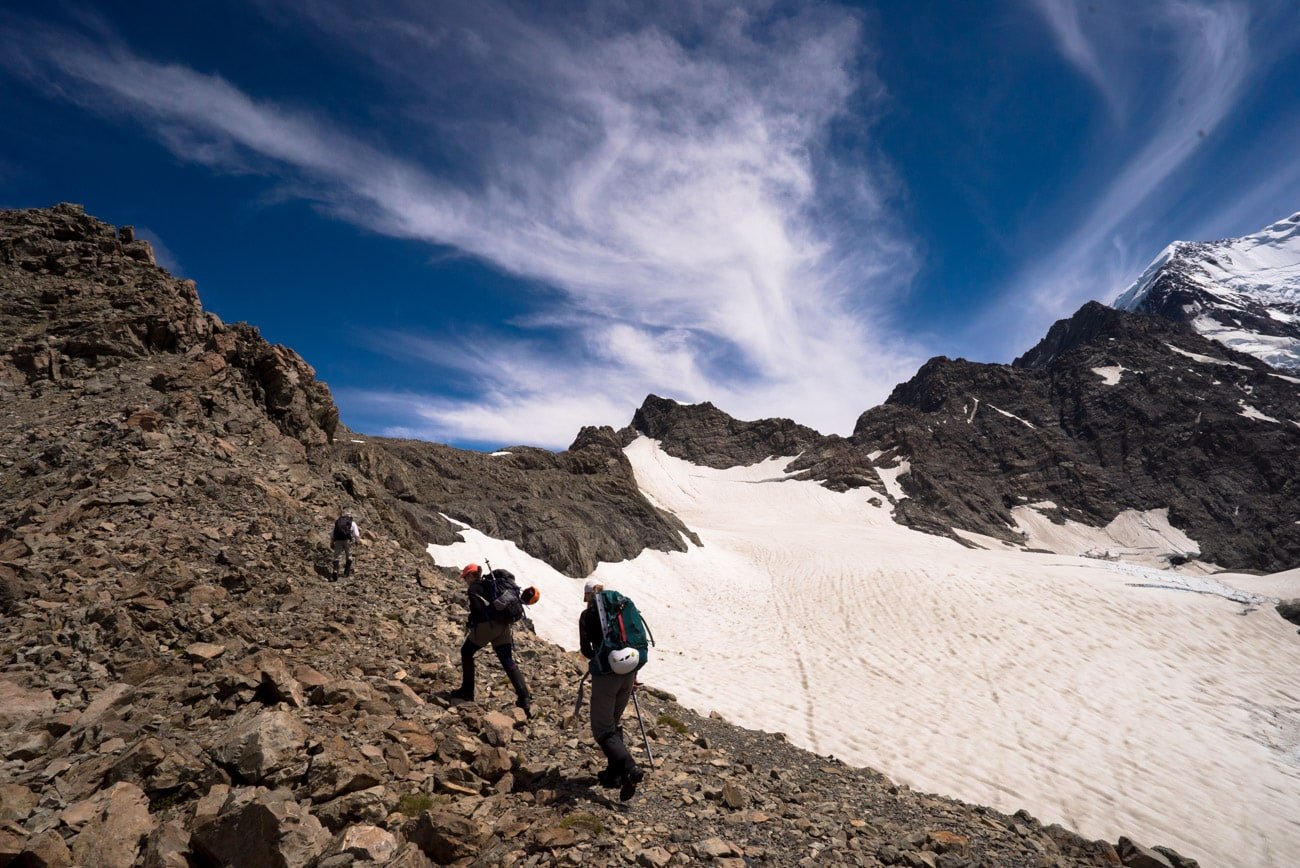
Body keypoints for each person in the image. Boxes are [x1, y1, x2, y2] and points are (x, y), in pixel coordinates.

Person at [579, 579, 645, 801]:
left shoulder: (587, 616)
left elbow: (586, 650)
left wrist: (601, 659)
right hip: (629, 672)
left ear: (588, 596)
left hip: (607, 676)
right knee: (613, 723)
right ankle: (613, 775)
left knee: (603, 730)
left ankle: (630, 769)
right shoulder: (620, 608)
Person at [444, 563, 531, 717]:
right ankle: (524, 697)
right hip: (504, 626)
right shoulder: (490, 584)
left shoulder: (474, 588)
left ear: (471, 575)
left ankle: (467, 691)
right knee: (507, 660)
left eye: (465, 577)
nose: (465, 580)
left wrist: (471, 621)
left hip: (488, 626)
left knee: (466, 652)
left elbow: (478, 611)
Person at [330, 510, 360, 580]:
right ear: (350, 516)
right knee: (349, 556)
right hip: (348, 541)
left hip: (338, 540)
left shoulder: (338, 522)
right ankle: (346, 572)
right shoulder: (352, 523)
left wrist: (331, 542)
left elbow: (332, 533)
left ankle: (335, 571)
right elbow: (356, 534)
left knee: (336, 556)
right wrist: (357, 541)